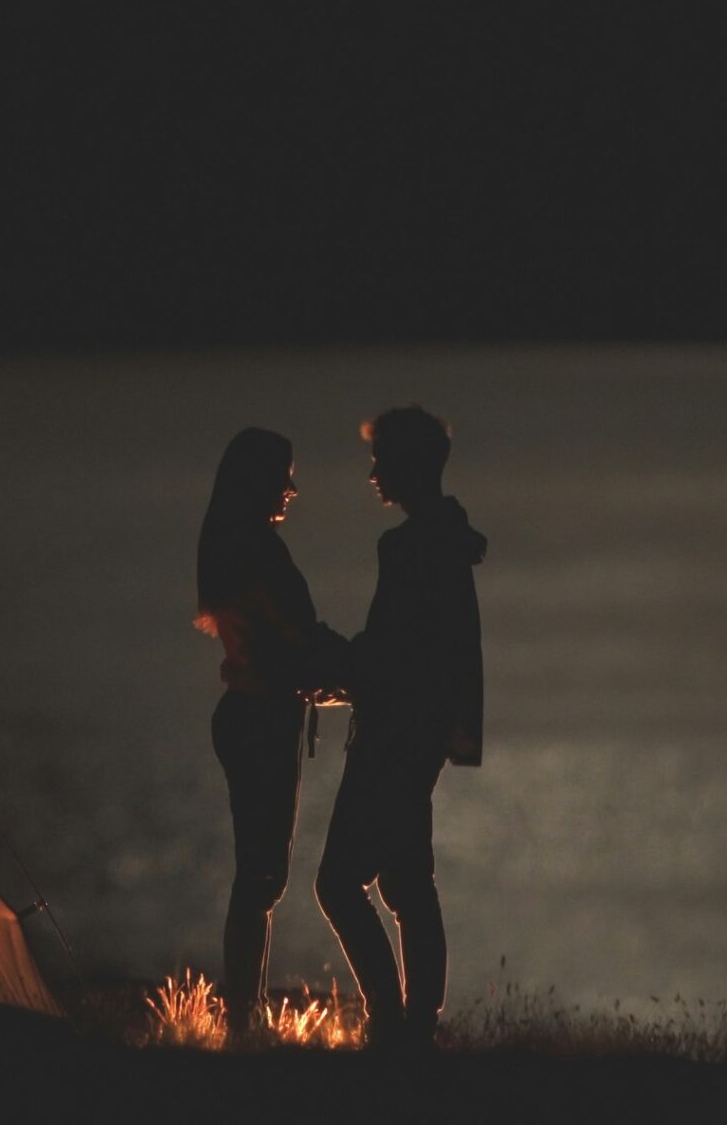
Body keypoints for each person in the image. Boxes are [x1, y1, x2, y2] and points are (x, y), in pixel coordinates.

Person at [314, 404, 487, 1051]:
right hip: (424, 736)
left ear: (409, 465)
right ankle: (418, 1023)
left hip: (392, 736)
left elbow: (391, 651)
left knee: (339, 883)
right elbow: (452, 651)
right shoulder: (450, 539)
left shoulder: (409, 547)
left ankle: (390, 1018)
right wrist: (457, 732)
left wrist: (332, 661)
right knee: (408, 883)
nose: (373, 474)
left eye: (380, 460)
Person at [195, 427, 346, 1033]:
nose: (291, 488)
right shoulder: (259, 551)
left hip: (251, 714)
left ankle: (245, 1013)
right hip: (262, 720)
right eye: (284, 475)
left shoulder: (232, 547)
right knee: (261, 875)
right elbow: (300, 640)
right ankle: (243, 1018)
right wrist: (361, 670)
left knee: (259, 874)